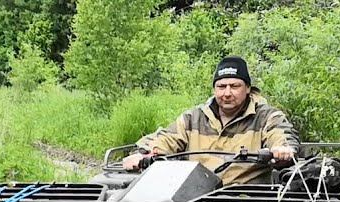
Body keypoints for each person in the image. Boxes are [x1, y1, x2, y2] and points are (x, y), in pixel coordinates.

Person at [121, 56, 300, 186]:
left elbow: (281, 135)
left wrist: (282, 149)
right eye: (221, 87)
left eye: (235, 86)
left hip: (246, 201)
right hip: (197, 197)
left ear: (247, 88)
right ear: (215, 89)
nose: (227, 93)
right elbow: (167, 139)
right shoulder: (194, 118)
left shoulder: (266, 116)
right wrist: (144, 154)